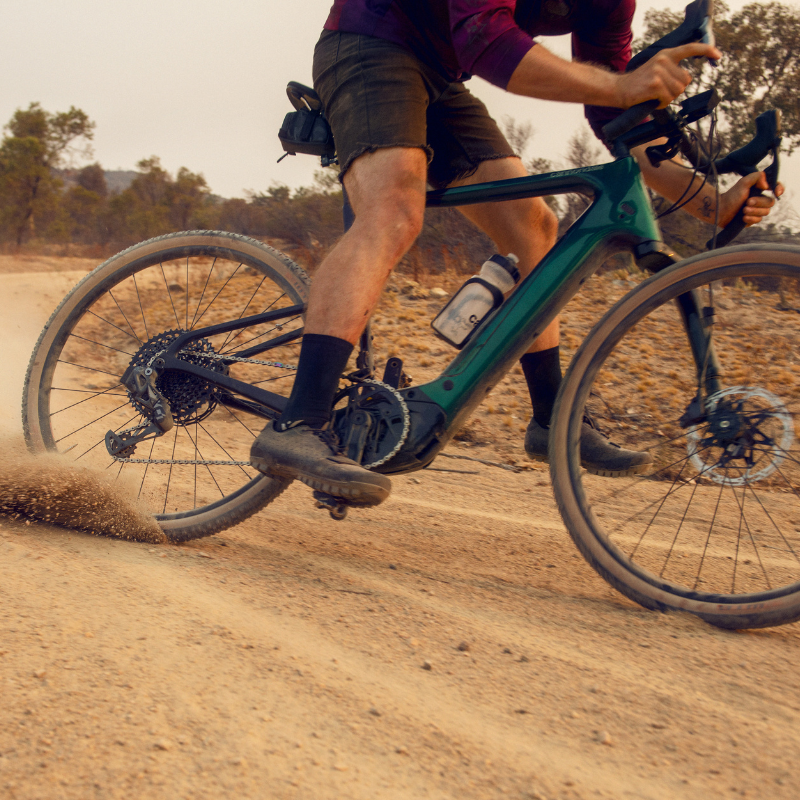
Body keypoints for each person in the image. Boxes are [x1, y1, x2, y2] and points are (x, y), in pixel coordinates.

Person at [249, 0, 782, 507]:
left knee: (534, 224)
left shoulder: (614, 6)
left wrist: (711, 201)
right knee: (393, 212)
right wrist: (624, 86)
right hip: (369, 42)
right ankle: (299, 423)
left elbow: (612, 109)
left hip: (440, 70)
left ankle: (552, 420)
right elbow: (484, 38)